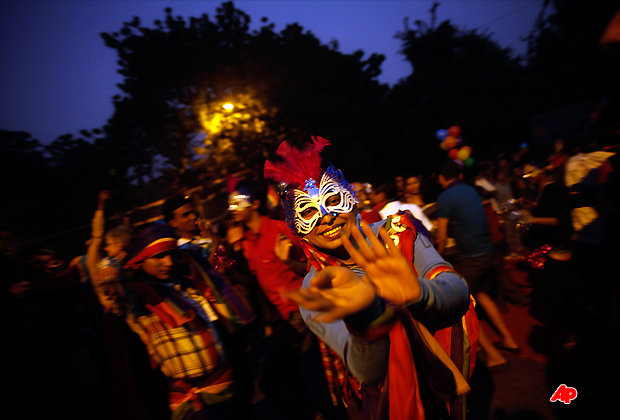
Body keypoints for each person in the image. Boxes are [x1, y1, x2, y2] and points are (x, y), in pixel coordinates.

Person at [265, 137, 477, 420]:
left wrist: (418, 292)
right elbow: (366, 370)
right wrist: (368, 319)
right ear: (298, 227)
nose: (326, 217)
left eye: (332, 200)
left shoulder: (397, 231)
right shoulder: (316, 289)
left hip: (441, 367)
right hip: (389, 395)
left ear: (351, 200)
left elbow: (458, 290)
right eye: (309, 211)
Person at [90, 222, 254, 420]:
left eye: (170, 255)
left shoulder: (185, 282)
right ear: (140, 260)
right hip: (190, 395)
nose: (168, 262)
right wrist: (127, 256)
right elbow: (106, 278)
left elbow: (202, 247)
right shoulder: (135, 299)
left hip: (223, 381)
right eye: (158, 256)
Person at [226, 179, 347, 420]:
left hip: (301, 312)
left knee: (287, 378)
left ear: (256, 204)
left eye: (238, 204)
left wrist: (289, 263)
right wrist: (231, 259)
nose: (233, 210)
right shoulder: (246, 240)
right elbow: (256, 282)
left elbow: (316, 265)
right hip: (281, 318)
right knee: (298, 376)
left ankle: (320, 413)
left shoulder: (280, 229)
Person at [435, 160, 521, 368]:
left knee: (458, 306)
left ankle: (493, 355)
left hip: (471, 258)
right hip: (489, 252)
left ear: (441, 178)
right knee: (482, 294)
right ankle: (509, 339)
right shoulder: (471, 190)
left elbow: (442, 236)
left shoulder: (445, 198)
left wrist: (436, 258)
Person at [368, 181, 434, 231]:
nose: (370, 197)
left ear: (381, 195)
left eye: (372, 194)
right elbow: (429, 230)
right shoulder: (412, 207)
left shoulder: (380, 216)